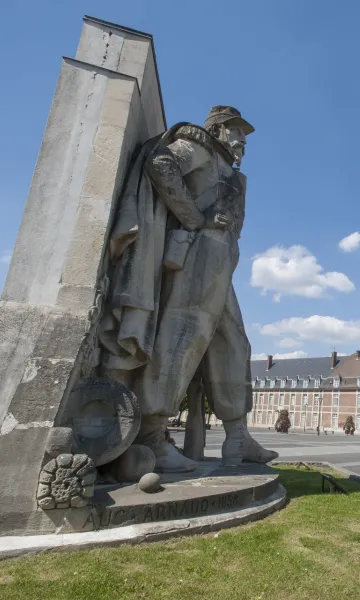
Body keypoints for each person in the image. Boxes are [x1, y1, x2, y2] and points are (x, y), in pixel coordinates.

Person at [99, 106, 278, 472]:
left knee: (234, 342)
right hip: (197, 254)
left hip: (220, 260)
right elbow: (161, 165)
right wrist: (195, 217)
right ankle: (152, 434)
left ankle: (237, 437)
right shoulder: (199, 146)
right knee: (182, 337)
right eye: (237, 131)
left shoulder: (228, 167)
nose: (242, 139)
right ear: (219, 129)